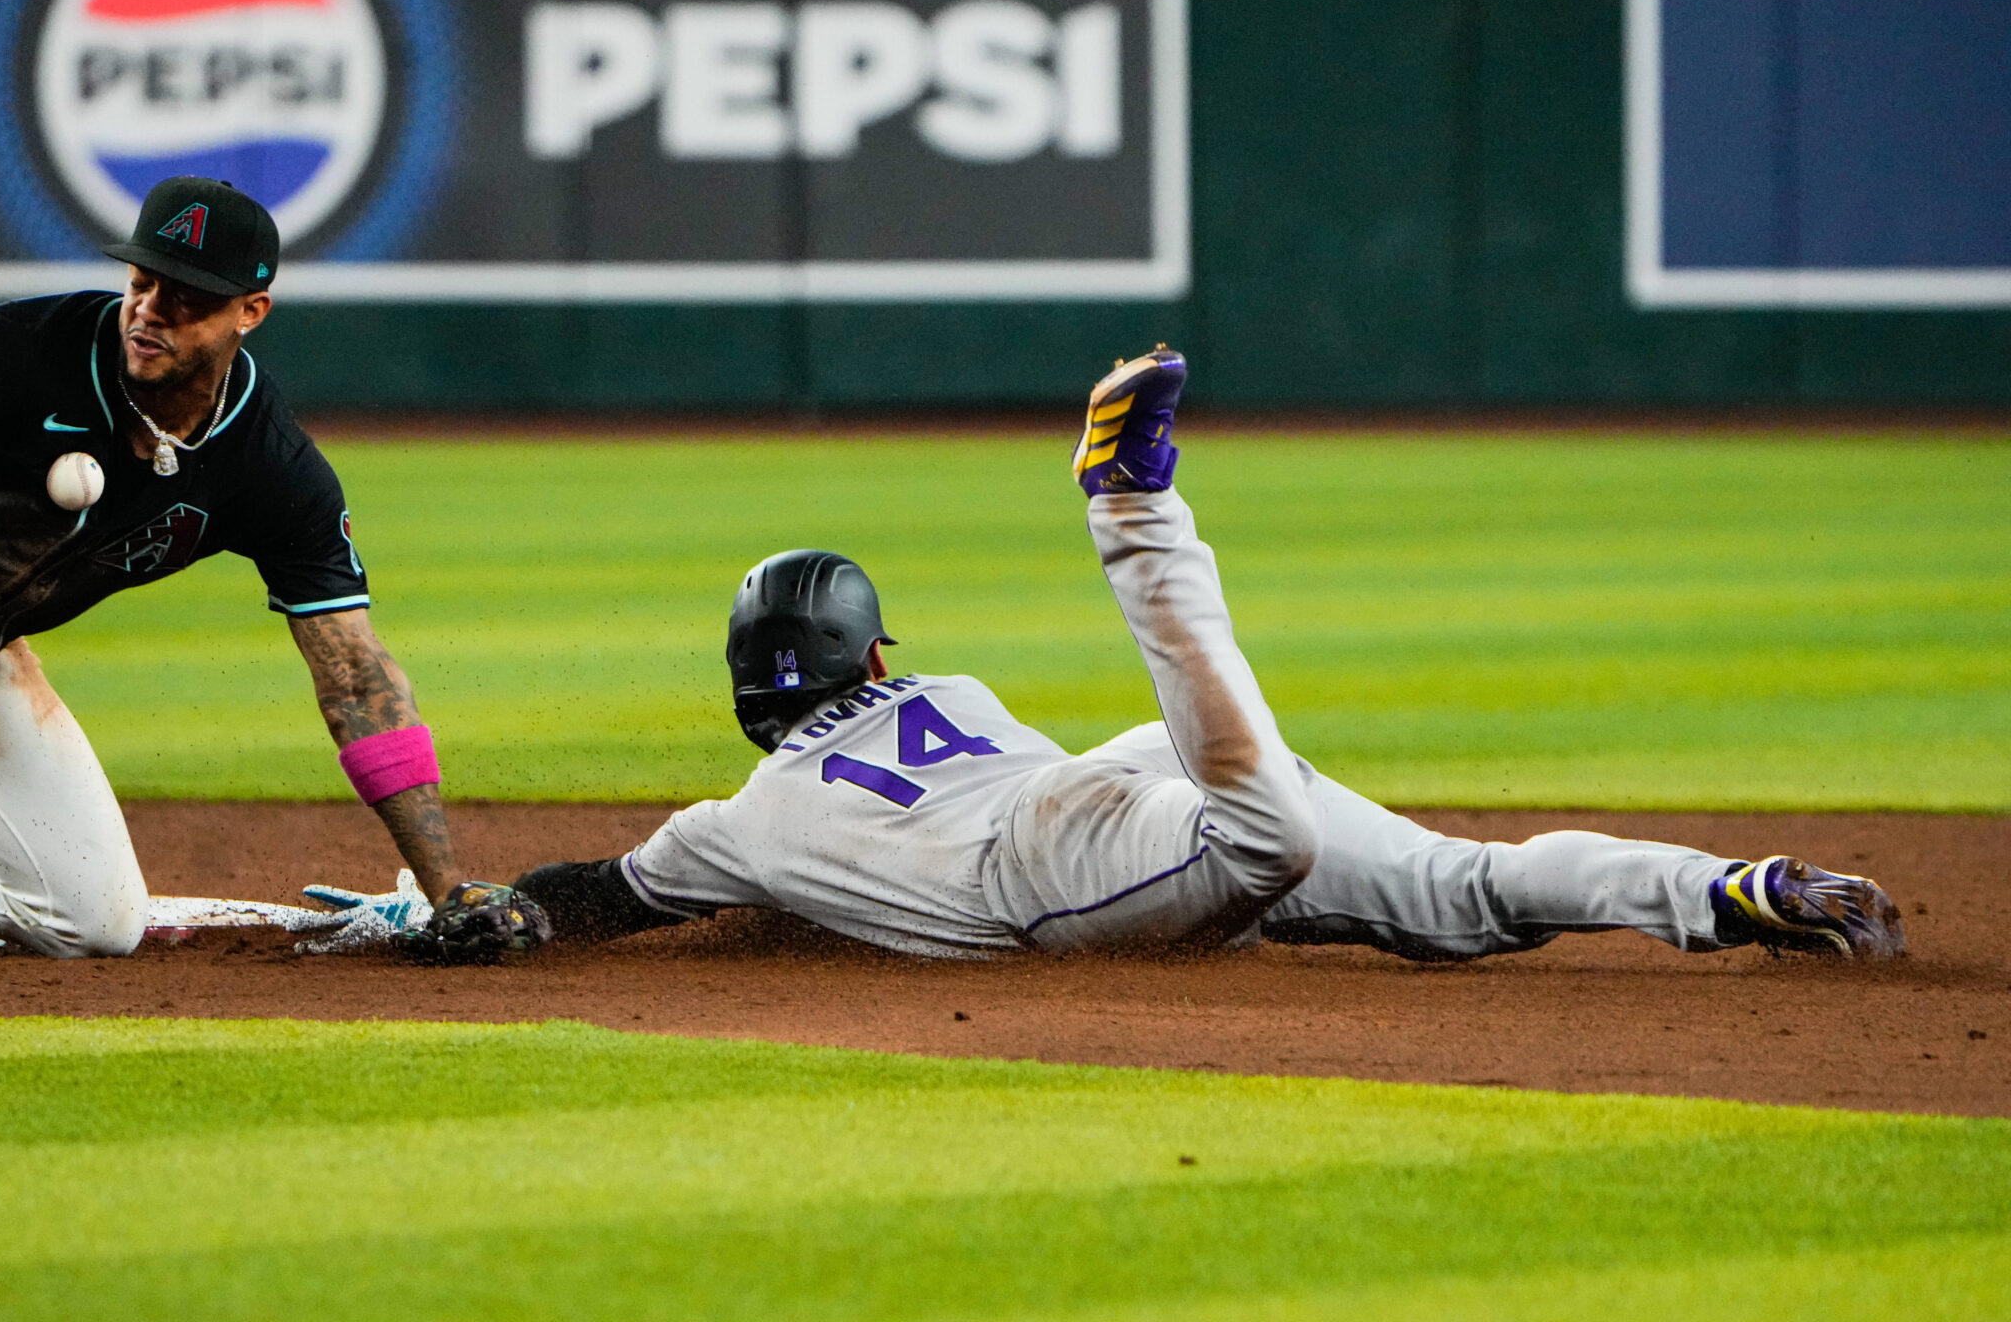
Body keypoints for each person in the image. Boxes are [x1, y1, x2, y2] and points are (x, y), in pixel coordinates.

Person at [514, 347, 1907, 964]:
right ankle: (1741, 889)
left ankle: (1134, 506)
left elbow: (592, 897)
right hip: (1112, 793)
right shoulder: (949, 691)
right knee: (1455, 890)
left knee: (1270, 835)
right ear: (873, 649)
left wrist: (447, 911)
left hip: (1064, 862)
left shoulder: (737, 826)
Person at [0, 176, 545, 971]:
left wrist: (448, 886)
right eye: (143, 280)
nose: (151, 307)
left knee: (92, 919)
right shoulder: (25, 347)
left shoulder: (271, 467)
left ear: (250, 311)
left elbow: (355, 675)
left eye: (186, 295)